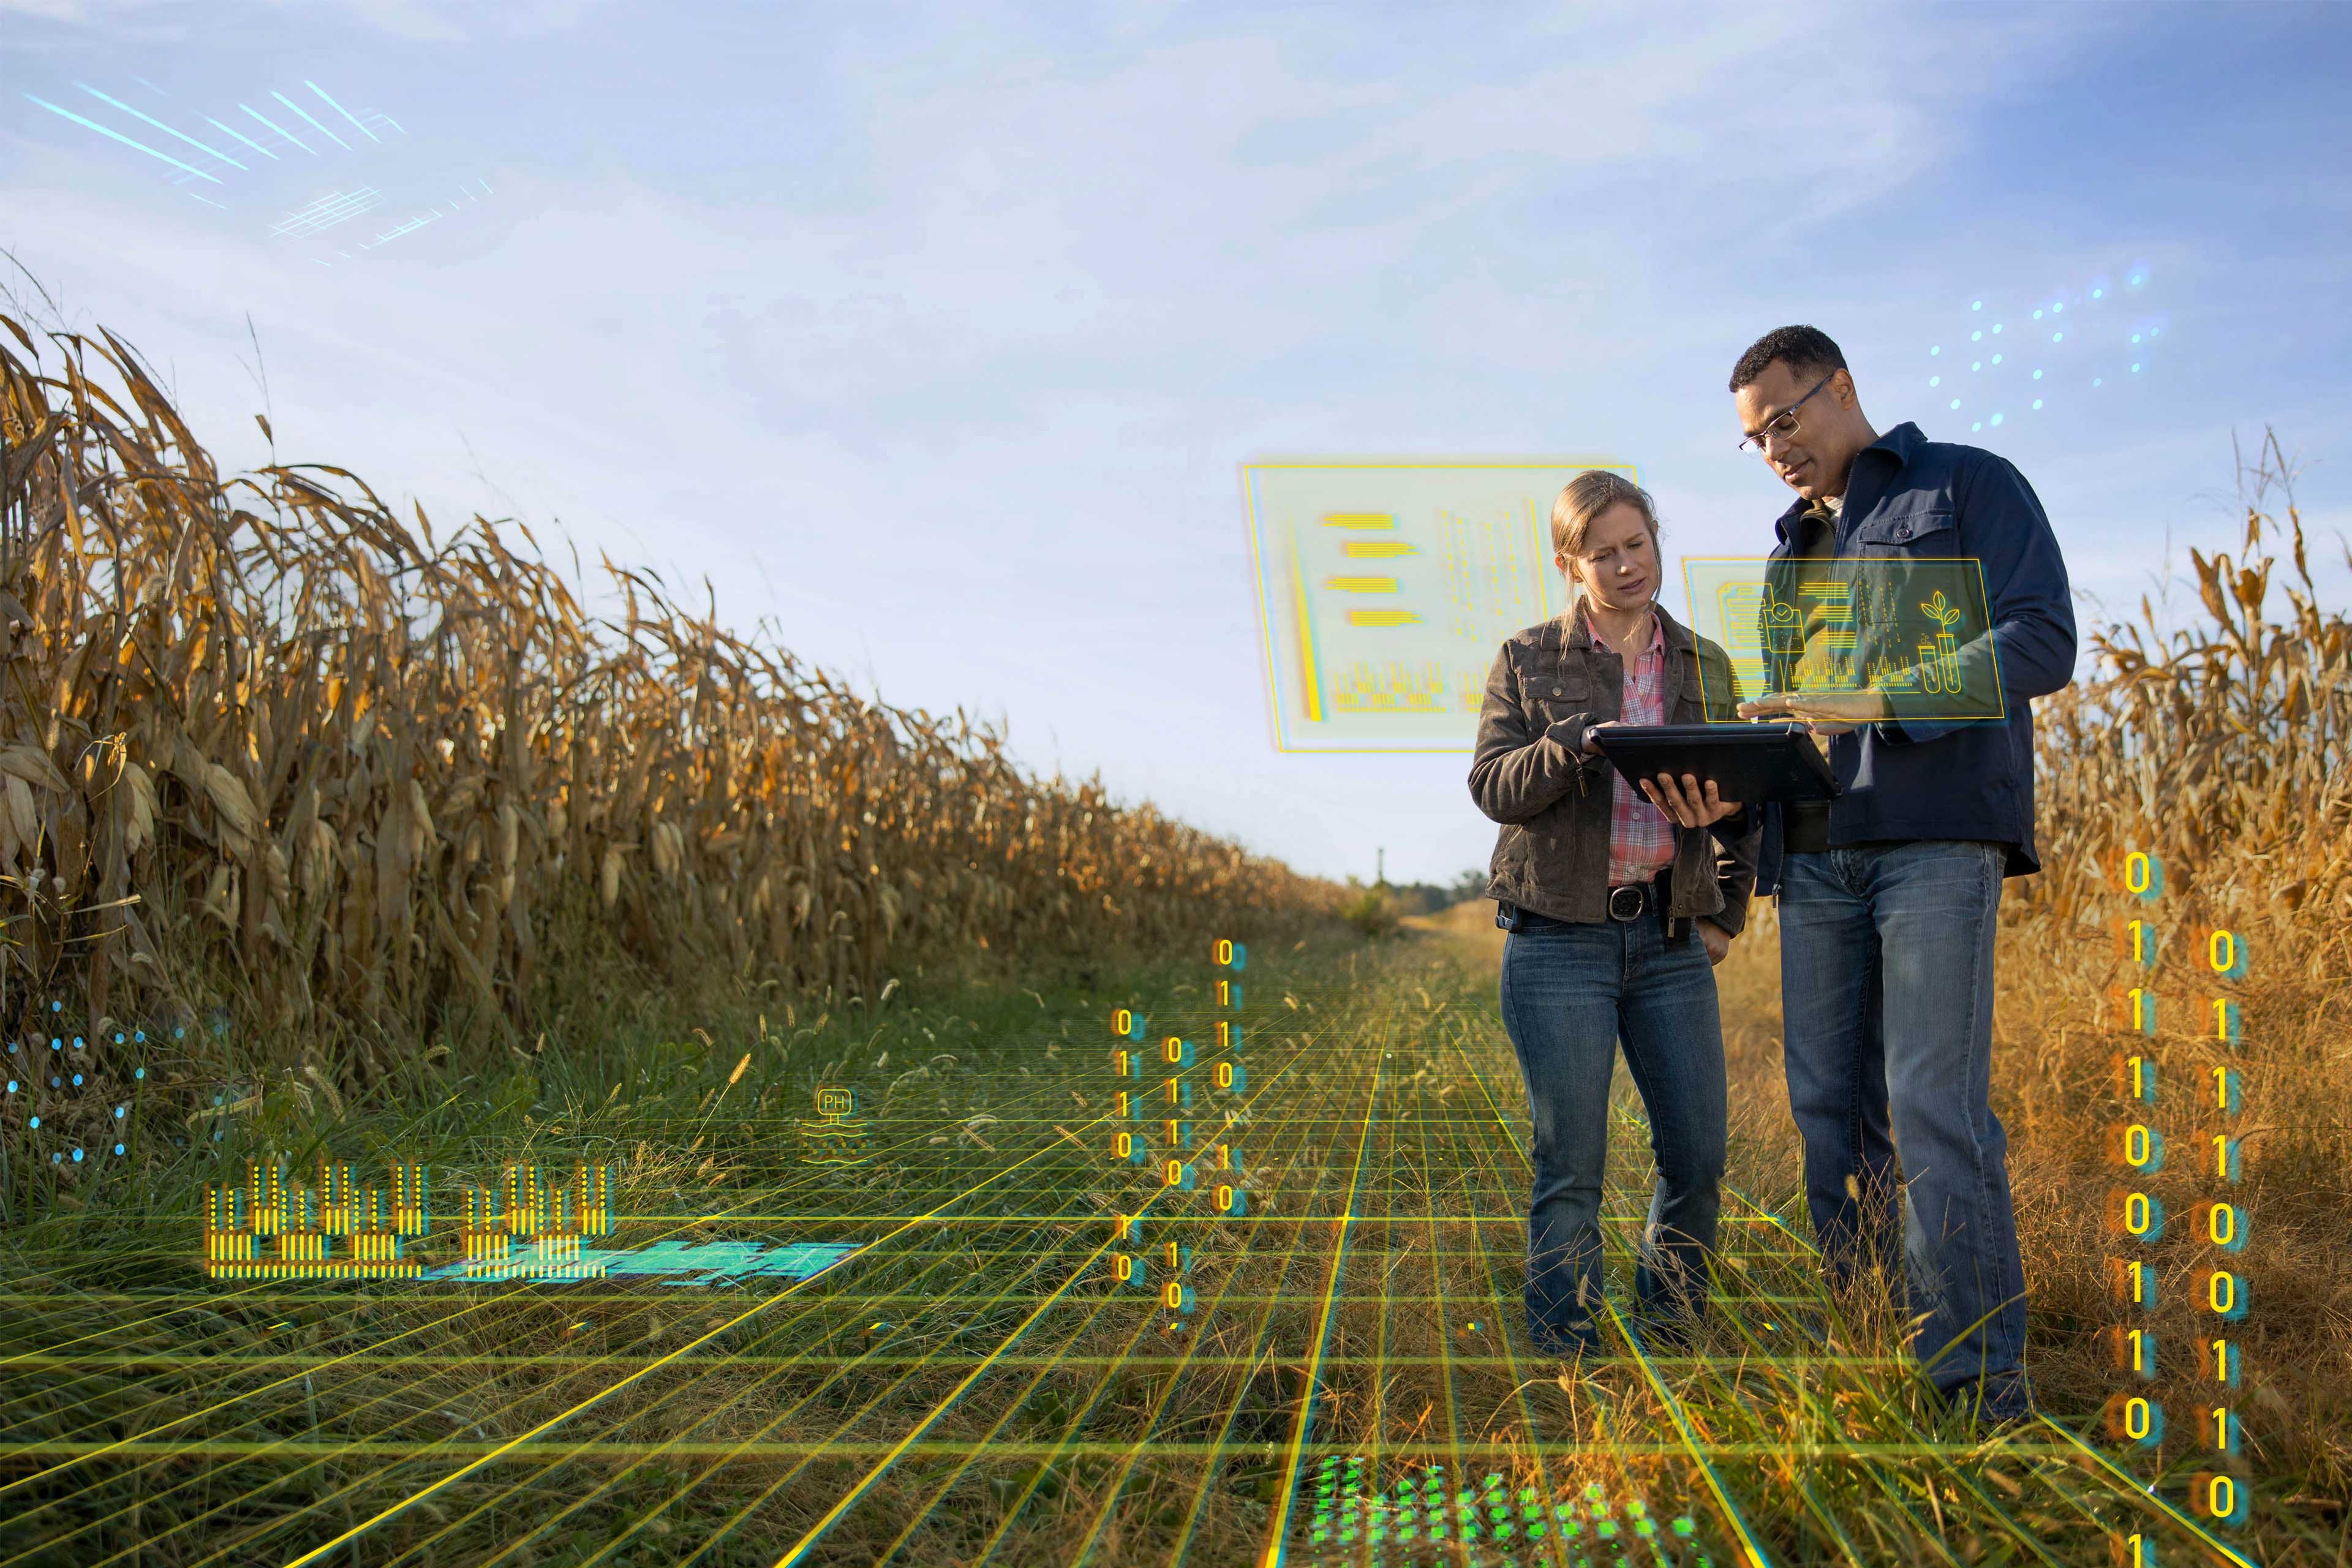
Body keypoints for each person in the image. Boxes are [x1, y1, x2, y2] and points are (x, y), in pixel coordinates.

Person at [1725, 325, 2078, 1428]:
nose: (1775, 448)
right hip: (1818, 855)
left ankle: (1978, 1387)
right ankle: (1875, 1342)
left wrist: (1877, 702)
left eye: (1785, 419)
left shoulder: (1966, 482)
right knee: (1829, 1110)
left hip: (1934, 840)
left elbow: (2043, 642)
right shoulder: (1788, 558)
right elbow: (1802, 713)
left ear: (1844, 389)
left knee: (1932, 1105)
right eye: (1754, 438)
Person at [1469, 470, 1762, 1360]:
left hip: (1671, 941)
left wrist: (1726, 916)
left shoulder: (1706, 664)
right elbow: (1491, 786)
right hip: (1559, 941)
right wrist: (1567, 746)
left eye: (1638, 543)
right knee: (1572, 1169)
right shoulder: (1528, 660)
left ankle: (1669, 1339)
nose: (1628, 564)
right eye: (1605, 552)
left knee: (1698, 1159)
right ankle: (1566, 1358)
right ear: (1571, 564)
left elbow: (1751, 801)